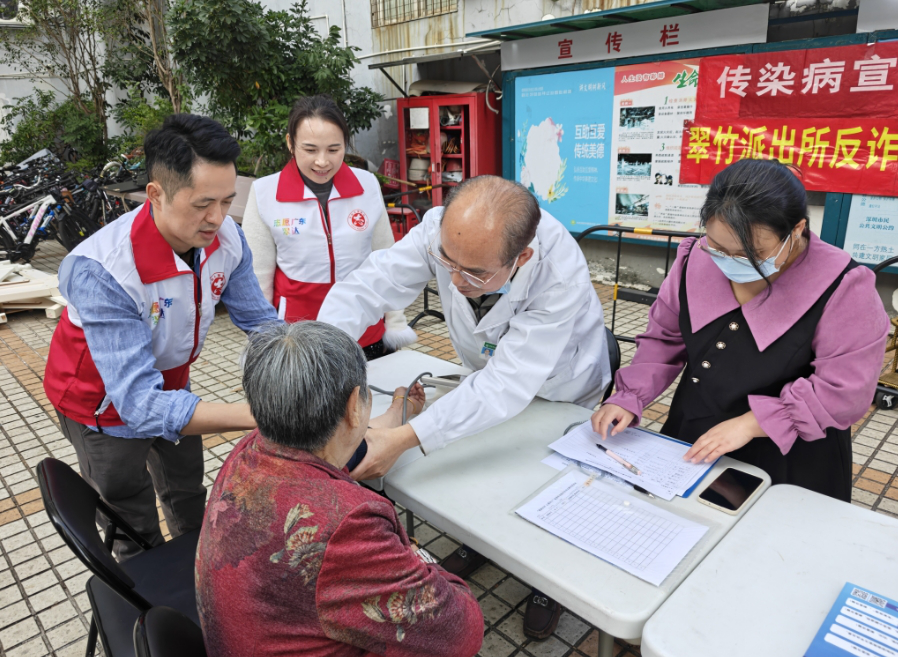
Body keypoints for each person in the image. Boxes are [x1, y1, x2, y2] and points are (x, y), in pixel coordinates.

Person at [317, 174, 611, 639]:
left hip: (561, 386)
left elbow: (507, 385)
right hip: (487, 373)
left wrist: (403, 438)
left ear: (523, 257)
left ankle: (546, 584)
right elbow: (367, 288)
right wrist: (321, 360)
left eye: (474, 273)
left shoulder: (559, 273)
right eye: (447, 262)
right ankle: (480, 545)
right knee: (487, 474)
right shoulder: (443, 230)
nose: (454, 281)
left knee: (543, 482)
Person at [43, 114, 281, 558]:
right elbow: (137, 403)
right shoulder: (104, 270)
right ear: (156, 193)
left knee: (187, 489)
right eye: (202, 204)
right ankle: (148, 612)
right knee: (131, 518)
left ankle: (200, 574)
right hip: (103, 407)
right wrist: (260, 415)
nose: (217, 219)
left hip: (171, 382)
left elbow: (261, 323)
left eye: (228, 201)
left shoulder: (227, 238)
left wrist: (302, 370)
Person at [592, 159, 889, 501]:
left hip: (790, 454)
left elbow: (845, 391)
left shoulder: (843, 286)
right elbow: (663, 339)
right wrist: (630, 397)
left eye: (753, 253)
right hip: (696, 433)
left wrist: (751, 424)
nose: (733, 262)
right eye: (719, 247)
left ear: (796, 230)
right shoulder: (695, 260)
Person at [195, 321, 483, 657]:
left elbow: (351, 444)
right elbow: (461, 633)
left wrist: (400, 413)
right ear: (353, 405)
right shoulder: (346, 526)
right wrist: (422, 560)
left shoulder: (252, 449)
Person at [242, 95, 415, 360]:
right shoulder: (265, 193)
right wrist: (263, 342)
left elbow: (386, 259)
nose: (322, 162)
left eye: (334, 150)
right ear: (291, 143)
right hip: (297, 339)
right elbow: (257, 278)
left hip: (364, 332)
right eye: (310, 150)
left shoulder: (366, 185)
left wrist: (396, 323)